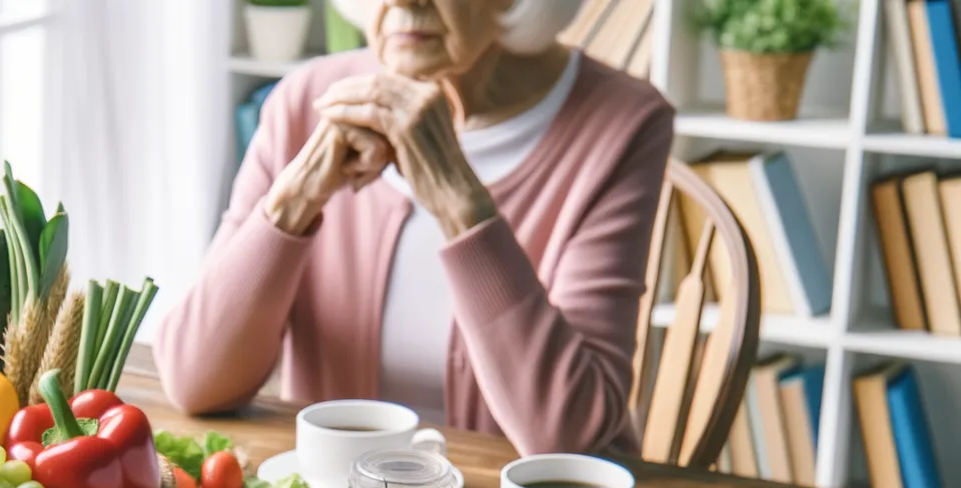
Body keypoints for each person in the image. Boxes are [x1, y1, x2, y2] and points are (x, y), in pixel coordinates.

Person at [154, 0, 674, 456]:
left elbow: (567, 436)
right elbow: (196, 380)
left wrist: (459, 204)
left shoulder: (623, 123)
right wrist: (293, 200)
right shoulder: (306, 99)